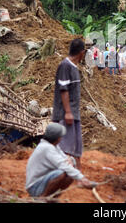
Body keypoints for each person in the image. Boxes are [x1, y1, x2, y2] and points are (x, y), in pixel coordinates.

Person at [25, 123, 95, 197]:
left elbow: (65, 159)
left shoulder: (53, 146)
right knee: (61, 173)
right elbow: (62, 165)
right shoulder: (47, 148)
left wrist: (70, 159)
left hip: (41, 182)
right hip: (34, 186)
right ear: (57, 138)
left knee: (70, 169)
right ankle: (43, 197)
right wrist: (82, 178)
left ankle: (52, 197)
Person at [51, 38, 85, 169]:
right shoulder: (65, 66)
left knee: (76, 148)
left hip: (74, 113)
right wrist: (68, 112)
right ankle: (65, 175)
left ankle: (78, 174)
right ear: (82, 53)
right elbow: (63, 90)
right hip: (66, 114)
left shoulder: (74, 67)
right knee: (66, 147)